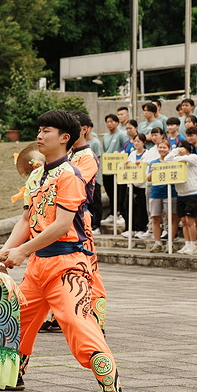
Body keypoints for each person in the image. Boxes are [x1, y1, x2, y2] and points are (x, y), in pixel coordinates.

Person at [0, 110, 126, 392]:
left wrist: (22, 250)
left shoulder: (70, 174)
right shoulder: (36, 175)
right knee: (16, 319)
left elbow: (62, 224)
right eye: (39, 130)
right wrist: (6, 250)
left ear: (65, 138)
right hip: (38, 266)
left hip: (67, 266)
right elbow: (26, 219)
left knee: (78, 325)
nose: (39, 136)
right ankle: (15, 373)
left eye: (47, 131)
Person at [68, 111, 107, 325]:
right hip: (66, 219)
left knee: (89, 267)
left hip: (80, 219)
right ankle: (59, 317)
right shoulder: (70, 155)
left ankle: (98, 319)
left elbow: (76, 184)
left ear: (84, 130)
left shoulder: (87, 157)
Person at [164, 140, 197, 255]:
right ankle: (187, 244)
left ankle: (193, 245)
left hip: (193, 193)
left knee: (190, 221)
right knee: (184, 221)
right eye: (178, 147)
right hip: (181, 193)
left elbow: (173, 159)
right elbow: (167, 159)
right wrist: (176, 150)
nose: (179, 150)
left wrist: (179, 153)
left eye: (182, 147)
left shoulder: (193, 157)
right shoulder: (176, 158)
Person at [145, 140, 173, 253]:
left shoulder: (172, 162)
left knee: (169, 217)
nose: (162, 150)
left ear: (169, 149)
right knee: (155, 218)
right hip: (155, 192)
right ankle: (157, 242)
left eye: (164, 147)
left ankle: (170, 242)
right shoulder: (154, 162)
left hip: (169, 192)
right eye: (160, 147)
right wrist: (153, 172)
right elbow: (148, 178)